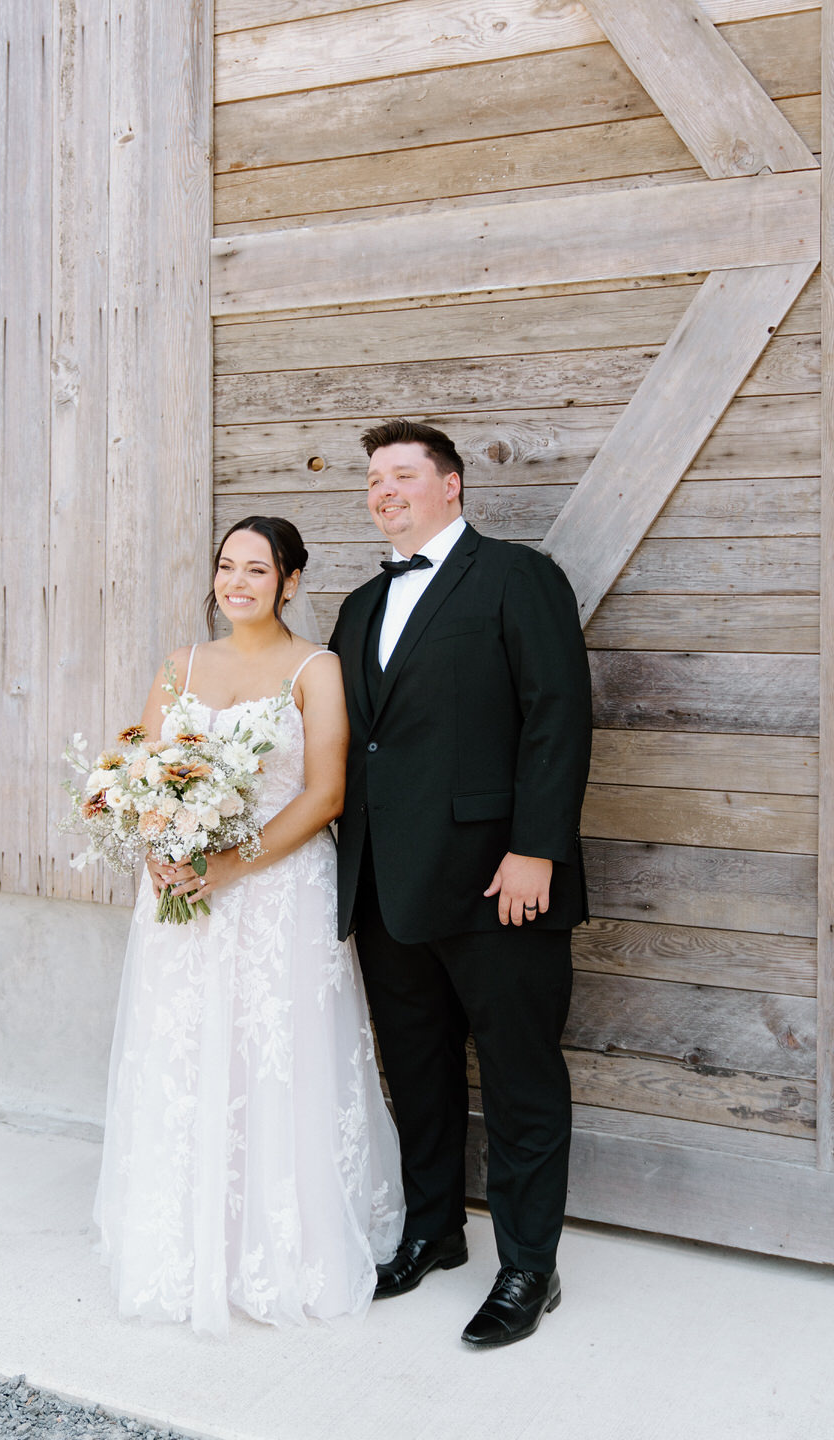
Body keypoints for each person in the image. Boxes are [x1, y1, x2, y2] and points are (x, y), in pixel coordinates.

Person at [94, 516, 404, 1338]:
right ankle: (191, 1244)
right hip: (184, 896)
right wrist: (159, 849)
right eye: (227, 566)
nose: (237, 582)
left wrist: (230, 866)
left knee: (275, 1056)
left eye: (257, 569)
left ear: (290, 581)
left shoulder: (316, 668)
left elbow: (325, 793)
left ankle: (279, 1245)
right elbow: (147, 774)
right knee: (189, 1053)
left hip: (277, 895)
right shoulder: (180, 665)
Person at [329, 420, 591, 1349]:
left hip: (497, 882)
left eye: (402, 474)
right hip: (387, 889)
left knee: (520, 1077)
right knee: (420, 1074)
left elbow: (556, 714)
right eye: (372, 479)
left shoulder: (517, 578)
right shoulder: (361, 604)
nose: (383, 490)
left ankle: (528, 1266)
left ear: (451, 486)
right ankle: (434, 1233)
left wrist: (536, 848)